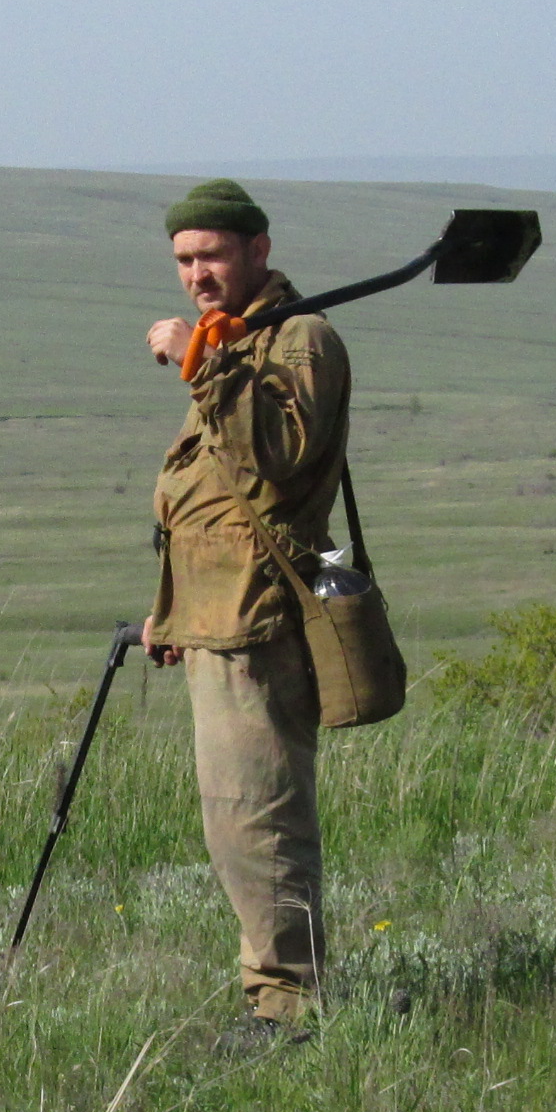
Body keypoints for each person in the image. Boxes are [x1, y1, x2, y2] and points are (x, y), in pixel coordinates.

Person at [141, 178, 349, 1041]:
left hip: (261, 622)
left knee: (257, 817)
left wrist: (202, 363)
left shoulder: (299, 340)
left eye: (213, 255)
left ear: (258, 251)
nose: (198, 273)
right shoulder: (240, 342)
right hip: (217, 619)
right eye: (185, 259)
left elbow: (278, 459)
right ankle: (279, 994)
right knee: (237, 818)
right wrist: (170, 612)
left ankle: (289, 1009)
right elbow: (208, 506)